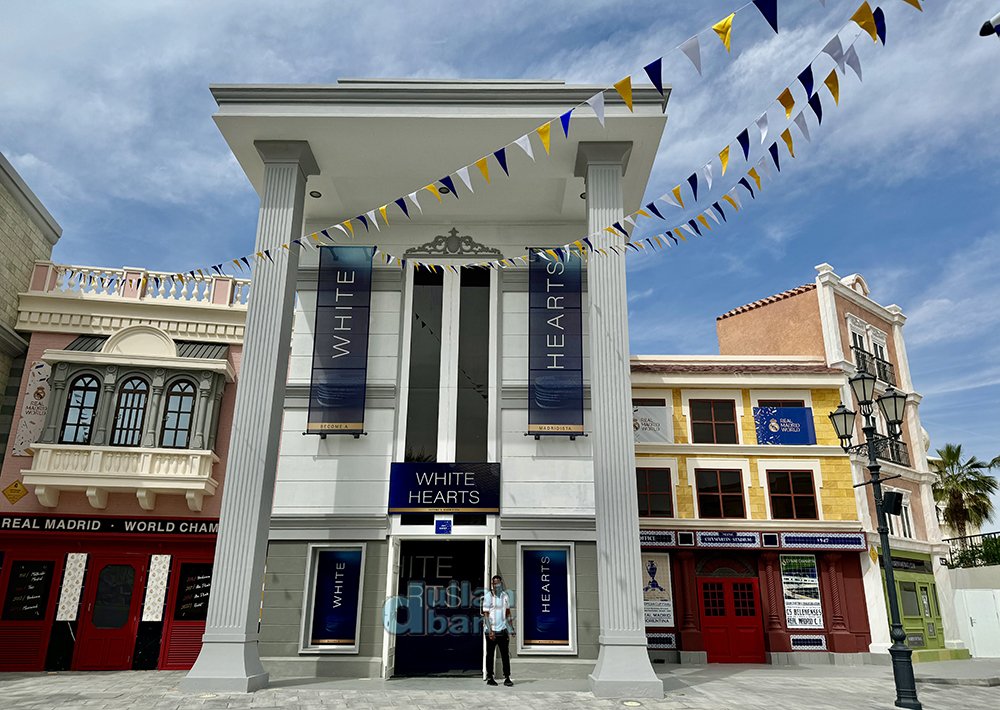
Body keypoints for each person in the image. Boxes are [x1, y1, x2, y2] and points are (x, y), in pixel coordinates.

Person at [481, 574, 514, 686]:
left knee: (505, 655)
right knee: (490, 655)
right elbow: (486, 615)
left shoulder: (505, 596)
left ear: (501, 584)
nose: (497, 585)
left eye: (498, 583)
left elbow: (508, 612)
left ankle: (507, 677)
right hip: (491, 631)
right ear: (492, 584)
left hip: (503, 630)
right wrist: (490, 631)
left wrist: (511, 627)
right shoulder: (488, 597)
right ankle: (490, 677)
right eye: (495, 583)